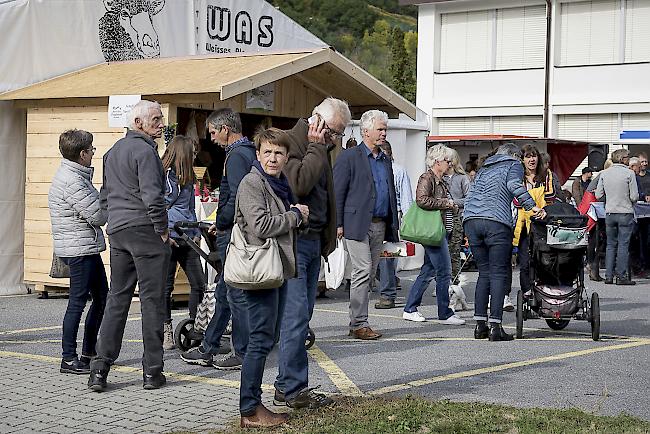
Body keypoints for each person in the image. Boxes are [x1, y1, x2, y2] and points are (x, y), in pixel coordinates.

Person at [89, 100, 171, 391]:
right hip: (145, 231)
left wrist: (112, 221)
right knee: (152, 302)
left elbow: (104, 196)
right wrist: (162, 230)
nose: (162, 123)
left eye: (161, 118)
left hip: (120, 233)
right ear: (138, 123)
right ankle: (152, 372)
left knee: (117, 299)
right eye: (156, 119)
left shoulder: (112, 152)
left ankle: (99, 370)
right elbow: (153, 197)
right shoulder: (146, 151)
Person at [272, 98, 348, 409]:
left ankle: (286, 385)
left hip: (312, 241)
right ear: (316, 121)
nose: (334, 139)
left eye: (338, 134)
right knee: (295, 316)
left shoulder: (320, 147)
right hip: (295, 242)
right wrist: (318, 147)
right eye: (333, 132)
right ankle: (293, 389)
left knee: (302, 316)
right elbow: (299, 184)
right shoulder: (290, 142)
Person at [236, 128, 308, 428]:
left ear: (286, 157)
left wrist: (296, 215)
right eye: (267, 152)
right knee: (260, 340)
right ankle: (250, 409)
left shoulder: (278, 183)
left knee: (267, 339)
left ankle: (252, 405)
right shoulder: (252, 183)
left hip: (274, 271)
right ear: (258, 154)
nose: (273, 158)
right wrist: (295, 216)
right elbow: (261, 225)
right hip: (259, 272)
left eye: (278, 153)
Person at [181, 108, 256, 369]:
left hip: (232, 233)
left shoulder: (236, 157)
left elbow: (236, 196)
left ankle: (242, 353)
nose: (212, 138)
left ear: (225, 129)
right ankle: (209, 346)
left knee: (234, 294)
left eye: (213, 132)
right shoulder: (247, 152)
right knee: (226, 292)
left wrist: (222, 222)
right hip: (233, 230)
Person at [464, 143, 545, 341]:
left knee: (484, 273)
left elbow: (471, 194)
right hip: (496, 222)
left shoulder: (485, 167)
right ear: (516, 156)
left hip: (471, 220)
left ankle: (479, 325)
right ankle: (496, 326)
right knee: (499, 273)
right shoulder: (513, 164)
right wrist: (533, 207)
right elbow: (514, 186)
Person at [333, 110, 399, 339]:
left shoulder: (385, 159)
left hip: (379, 223)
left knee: (369, 274)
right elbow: (337, 192)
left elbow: (389, 192)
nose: (384, 133)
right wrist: (338, 223)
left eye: (385, 129)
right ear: (365, 131)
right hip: (355, 223)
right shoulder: (349, 157)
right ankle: (359, 323)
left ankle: (357, 321)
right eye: (380, 129)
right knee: (362, 270)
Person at [48, 129, 108, 375]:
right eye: (92, 149)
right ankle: (68, 357)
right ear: (82, 154)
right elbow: (98, 215)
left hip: (85, 247)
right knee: (77, 302)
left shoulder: (75, 175)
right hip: (79, 250)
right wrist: (108, 197)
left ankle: (89, 351)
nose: (94, 152)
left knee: (102, 296)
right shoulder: (72, 180)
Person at [402, 145, 465, 325]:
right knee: (444, 271)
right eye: (447, 160)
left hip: (440, 230)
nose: (450, 163)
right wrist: (446, 203)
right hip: (433, 232)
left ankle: (410, 308)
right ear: (437, 161)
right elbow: (421, 199)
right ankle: (444, 313)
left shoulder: (440, 180)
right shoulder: (427, 178)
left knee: (428, 271)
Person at [161, 135, 206, 350]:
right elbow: (160, 206)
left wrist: (196, 231)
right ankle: (165, 328)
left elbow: (190, 209)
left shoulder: (188, 179)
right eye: (193, 152)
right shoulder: (167, 178)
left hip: (187, 236)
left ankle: (197, 324)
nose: (195, 156)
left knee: (199, 283)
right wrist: (163, 233)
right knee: (166, 286)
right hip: (170, 236)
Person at [376, 140, 414, 305]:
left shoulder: (398, 170)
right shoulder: (379, 169)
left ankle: (387, 294)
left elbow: (406, 199)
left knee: (387, 256)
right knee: (381, 257)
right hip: (379, 216)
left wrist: (406, 221)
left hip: (392, 215)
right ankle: (390, 281)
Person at [511, 144, 547, 311]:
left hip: (542, 226)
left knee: (543, 261)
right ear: (522, 160)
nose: (532, 159)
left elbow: (554, 198)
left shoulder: (547, 176)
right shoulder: (517, 178)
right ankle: (526, 292)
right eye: (528, 156)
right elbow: (517, 200)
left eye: (534, 156)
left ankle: (544, 291)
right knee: (525, 262)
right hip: (522, 227)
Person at [595, 149, 638, 285]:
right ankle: (621, 276)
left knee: (610, 245)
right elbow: (634, 196)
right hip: (625, 212)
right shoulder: (629, 173)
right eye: (627, 157)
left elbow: (598, 195)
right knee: (623, 245)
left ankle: (608, 275)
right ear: (621, 159)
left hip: (610, 212)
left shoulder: (604, 173)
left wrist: (610, 198)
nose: (628, 159)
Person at [445, 148, 470, 285]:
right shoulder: (439, 178)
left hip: (457, 219)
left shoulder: (462, 178)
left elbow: (469, 198)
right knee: (442, 253)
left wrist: (453, 202)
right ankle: (442, 282)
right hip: (441, 219)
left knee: (454, 252)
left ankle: (454, 282)